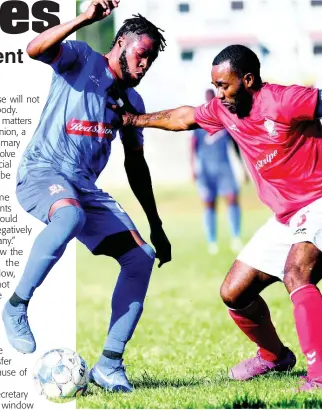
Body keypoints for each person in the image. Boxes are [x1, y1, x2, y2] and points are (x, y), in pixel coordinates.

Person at [118, 44, 322, 391]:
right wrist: (136, 120)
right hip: (287, 216)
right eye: (214, 86)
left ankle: (318, 377)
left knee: (296, 273)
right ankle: (274, 356)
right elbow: (183, 118)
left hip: (318, 200)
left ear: (248, 80)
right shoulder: (226, 110)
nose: (219, 94)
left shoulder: (283, 99)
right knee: (234, 291)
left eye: (224, 86)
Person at [2, 0, 171, 393]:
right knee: (69, 217)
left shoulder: (132, 104)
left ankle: (110, 365)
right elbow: (34, 49)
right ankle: (16, 306)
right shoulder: (81, 57)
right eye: (142, 55)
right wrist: (82, 18)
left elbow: (136, 166)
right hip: (42, 172)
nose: (145, 66)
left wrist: (156, 225)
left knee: (140, 258)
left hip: (84, 188)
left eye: (151, 61)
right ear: (121, 44)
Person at [191, 89, 246, 255]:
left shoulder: (225, 120)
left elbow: (235, 145)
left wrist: (243, 167)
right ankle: (212, 242)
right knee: (209, 203)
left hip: (224, 167)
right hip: (206, 169)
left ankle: (236, 237)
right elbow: (192, 146)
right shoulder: (198, 122)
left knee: (232, 199)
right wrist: (192, 167)